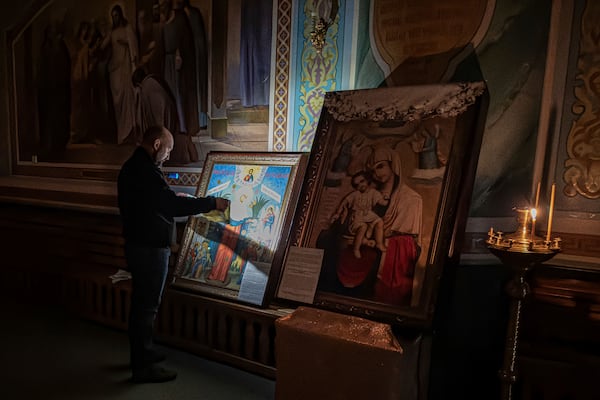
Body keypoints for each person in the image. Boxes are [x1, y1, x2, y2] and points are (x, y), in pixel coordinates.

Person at [118, 125, 229, 383]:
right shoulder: (145, 171)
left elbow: (156, 202)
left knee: (142, 306)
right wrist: (211, 203)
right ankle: (142, 367)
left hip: (138, 245)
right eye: (167, 149)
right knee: (146, 308)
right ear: (156, 144)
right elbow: (171, 205)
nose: (168, 155)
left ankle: (142, 354)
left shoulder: (132, 167)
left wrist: (170, 199)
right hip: (149, 249)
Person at [330, 170, 388, 259]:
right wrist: (338, 213)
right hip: (357, 217)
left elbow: (382, 202)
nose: (361, 185)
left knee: (379, 221)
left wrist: (386, 199)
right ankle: (356, 248)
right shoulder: (355, 194)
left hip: (368, 214)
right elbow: (344, 202)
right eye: (357, 185)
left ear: (367, 180)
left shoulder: (373, 192)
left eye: (362, 181)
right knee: (363, 227)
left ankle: (379, 243)